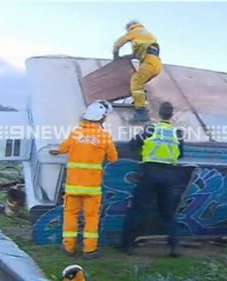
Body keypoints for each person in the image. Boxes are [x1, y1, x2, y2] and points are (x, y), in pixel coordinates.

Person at [50, 100, 118, 259]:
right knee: (91, 218)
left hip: (73, 185)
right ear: (102, 119)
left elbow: (62, 148)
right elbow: (113, 158)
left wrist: (56, 151)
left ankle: (69, 247)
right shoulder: (104, 136)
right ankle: (89, 250)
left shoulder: (75, 133)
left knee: (70, 215)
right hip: (92, 188)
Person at [120, 101, 185, 257]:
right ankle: (174, 246)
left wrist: (143, 151)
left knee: (137, 209)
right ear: (172, 114)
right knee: (168, 212)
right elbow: (180, 154)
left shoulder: (151, 128)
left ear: (159, 113)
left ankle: (127, 245)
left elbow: (132, 145)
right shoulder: (177, 132)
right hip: (169, 175)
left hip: (150, 173)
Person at [113, 20, 162, 123]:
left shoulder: (134, 31)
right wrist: (127, 57)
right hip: (155, 63)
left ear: (130, 27)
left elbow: (117, 44)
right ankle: (140, 101)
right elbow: (141, 51)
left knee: (136, 81)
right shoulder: (147, 34)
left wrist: (115, 56)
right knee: (139, 83)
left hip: (149, 62)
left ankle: (141, 112)